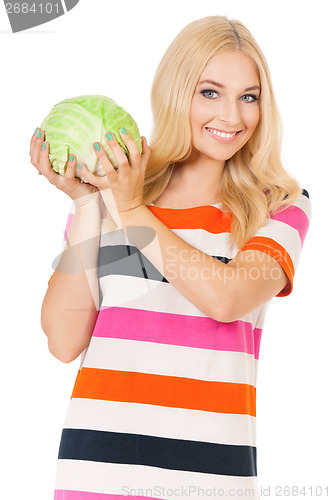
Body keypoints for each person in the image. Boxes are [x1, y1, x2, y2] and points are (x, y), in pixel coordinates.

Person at [30, 15, 311, 500]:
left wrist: (133, 208)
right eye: (210, 92)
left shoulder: (279, 204)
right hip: (93, 475)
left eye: (249, 96)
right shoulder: (113, 192)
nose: (233, 116)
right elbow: (63, 340)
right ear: (175, 90)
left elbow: (226, 300)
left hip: (208, 483)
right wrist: (86, 204)